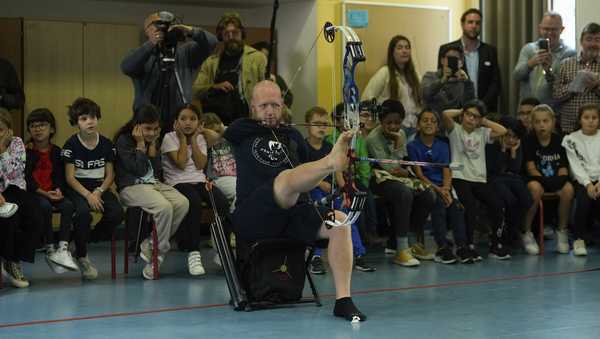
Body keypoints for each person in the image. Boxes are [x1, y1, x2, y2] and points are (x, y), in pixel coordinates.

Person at [223, 80, 366, 322]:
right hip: (254, 215)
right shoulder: (241, 129)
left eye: (276, 105)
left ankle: (344, 300)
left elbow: (307, 175)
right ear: (252, 108)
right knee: (284, 180)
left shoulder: (292, 136)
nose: (270, 111)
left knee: (340, 222)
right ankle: (330, 161)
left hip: (293, 213)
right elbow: (222, 133)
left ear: (283, 107)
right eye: (264, 106)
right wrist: (331, 162)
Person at [114, 104, 189, 279]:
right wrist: (141, 144)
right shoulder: (124, 141)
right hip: (131, 187)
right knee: (164, 207)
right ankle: (159, 253)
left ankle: (150, 244)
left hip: (153, 184)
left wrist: (153, 145)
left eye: (156, 129)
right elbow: (139, 170)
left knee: (182, 203)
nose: (152, 133)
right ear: (137, 125)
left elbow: (154, 172)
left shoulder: (154, 139)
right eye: (148, 129)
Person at [161, 104, 232, 275]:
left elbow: (200, 165)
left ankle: (221, 250)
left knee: (222, 203)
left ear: (199, 122)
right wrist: (184, 139)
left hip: (199, 181)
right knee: (193, 202)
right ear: (176, 122)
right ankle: (194, 253)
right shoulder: (169, 138)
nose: (188, 123)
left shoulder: (200, 138)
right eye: (183, 118)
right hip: (177, 183)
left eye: (192, 119)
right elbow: (181, 163)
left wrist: (194, 138)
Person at [304, 106, 375, 273]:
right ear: (307, 126)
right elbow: (303, 172)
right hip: (312, 190)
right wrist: (320, 184)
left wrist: (345, 191)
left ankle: (358, 255)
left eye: (325, 124)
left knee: (346, 214)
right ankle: (316, 257)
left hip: (331, 191)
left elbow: (337, 172)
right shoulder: (303, 146)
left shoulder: (330, 147)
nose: (322, 127)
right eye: (317, 124)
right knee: (322, 214)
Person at [366, 100, 436, 266]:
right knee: (403, 193)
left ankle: (410, 242)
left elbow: (403, 163)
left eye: (397, 122)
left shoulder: (402, 133)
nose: (394, 126)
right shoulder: (373, 139)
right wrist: (397, 144)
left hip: (399, 176)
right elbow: (389, 167)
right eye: (388, 123)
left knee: (428, 195)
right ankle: (401, 249)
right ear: (381, 122)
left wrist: (405, 170)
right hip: (378, 178)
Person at [121, 11, 217, 130]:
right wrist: (151, 44)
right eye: (158, 26)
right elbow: (127, 67)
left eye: (168, 27)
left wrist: (191, 31)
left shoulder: (186, 54)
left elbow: (212, 43)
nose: (165, 31)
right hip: (147, 123)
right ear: (147, 30)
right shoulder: (143, 55)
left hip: (177, 123)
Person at [62, 98, 124, 280]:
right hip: (78, 188)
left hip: (99, 187)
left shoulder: (106, 144)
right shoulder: (70, 145)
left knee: (117, 213)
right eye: (83, 118)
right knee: (82, 213)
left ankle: (86, 239)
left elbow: (110, 175)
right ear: (76, 122)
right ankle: (82, 256)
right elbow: (69, 178)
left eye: (93, 117)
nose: (90, 121)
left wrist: (98, 192)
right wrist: (88, 195)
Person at [442, 100, 509, 261]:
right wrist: (462, 111)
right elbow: (445, 114)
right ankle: (468, 244)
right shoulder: (455, 130)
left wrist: (483, 121)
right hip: (460, 177)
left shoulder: (482, 133)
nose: (471, 119)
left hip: (479, 179)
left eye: (475, 117)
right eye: (468, 115)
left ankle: (496, 245)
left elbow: (502, 130)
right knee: (470, 206)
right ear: (463, 115)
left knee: (498, 204)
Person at [408, 109, 472, 264]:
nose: (429, 123)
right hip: (426, 186)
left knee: (456, 207)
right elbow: (419, 174)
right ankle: (442, 247)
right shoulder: (413, 146)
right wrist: (440, 191)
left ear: (437, 127)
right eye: (425, 120)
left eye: (433, 120)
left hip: (443, 186)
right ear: (418, 125)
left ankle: (462, 246)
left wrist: (446, 189)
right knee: (438, 205)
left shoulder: (443, 145)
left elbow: (446, 170)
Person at [24, 108, 78, 273]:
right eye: (33, 126)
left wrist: (58, 190)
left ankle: (63, 247)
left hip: (52, 192)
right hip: (34, 194)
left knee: (68, 205)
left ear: (52, 129)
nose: (38, 129)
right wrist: (44, 193)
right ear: (29, 130)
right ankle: (49, 247)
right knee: (45, 207)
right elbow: (26, 179)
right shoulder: (25, 152)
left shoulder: (57, 151)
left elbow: (60, 176)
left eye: (42, 125)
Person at [193, 12, 266, 125]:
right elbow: (196, 90)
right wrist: (215, 86)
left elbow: (266, 90)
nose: (231, 37)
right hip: (218, 126)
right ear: (221, 36)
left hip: (248, 121)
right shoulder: (211, 62)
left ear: (242, 33)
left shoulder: (257, 58)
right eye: (226, 34)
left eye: (235, 33)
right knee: (221, 144)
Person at [0, 108, 44, 288]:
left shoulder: (17, 143)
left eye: (1, 130)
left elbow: (14, 173)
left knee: (35, 215)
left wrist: (2, 148)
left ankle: (14, 261)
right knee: (10, 218)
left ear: (8, 130)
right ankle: (8, 259)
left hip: (16, 188)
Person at [522, 104, 574, 254]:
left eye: (545, 121)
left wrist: (556, 182)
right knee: (536, 189)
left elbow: (564, 169)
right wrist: (547, 183)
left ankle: (562, 231)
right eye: (537, 122)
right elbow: (531, 168)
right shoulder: (528, 140)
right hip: (535, 179)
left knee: (568, 190)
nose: (542, 125)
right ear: (532, 124)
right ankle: (526, 232)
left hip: (556, 179)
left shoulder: (561, 141)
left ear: (553, 122)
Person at [485, 116, 534, 252]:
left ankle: (513, 230)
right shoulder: (491, 143)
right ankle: (505, 234)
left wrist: (513, 152)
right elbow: (494, 169)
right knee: (509, 200)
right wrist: (502, 149)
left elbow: (515, 169)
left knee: (527, 199)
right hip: (494, 178)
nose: (511, 140)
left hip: (512, 178)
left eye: (514, 137)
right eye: (508, 136)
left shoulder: (517, 145)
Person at [438, 8, 501, 112]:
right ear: (462, 24)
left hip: (485, 110)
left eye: (477, 23)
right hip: (456, 110)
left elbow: (495, 83)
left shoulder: (490, 51)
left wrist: (482, 105)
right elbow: (442, 80)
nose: (474, 26)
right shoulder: (447, 50)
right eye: (470, 22)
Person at [362, 35, 422, 138]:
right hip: (393, 128)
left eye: (407, 47)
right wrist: (378, 120)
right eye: (400, 48)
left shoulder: (415, 74)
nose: (404, 51)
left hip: (414, 128)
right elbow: (367, 100)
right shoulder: (385, 73)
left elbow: (420, 101)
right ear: (392, 52)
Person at [513, 12, 576, 107]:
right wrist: (530, 64)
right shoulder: (528, 49)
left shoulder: (569, 53)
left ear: (562, 30)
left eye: (554, 29)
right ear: (540, 28)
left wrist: (548, 71)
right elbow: (517, 76)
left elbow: (567, 88)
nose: (550, 33)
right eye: (546, 29)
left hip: (554, 111)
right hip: (528, 110)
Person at [561, 103, 600, 256]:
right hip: (582, 180)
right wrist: (588, 184)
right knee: (583, 202)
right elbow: (575, 165)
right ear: (580, 120)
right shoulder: (571, 139)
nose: (590, 121)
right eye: (586, 118)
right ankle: (578, 239)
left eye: (594, 118)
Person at [554, 22, 600, 134]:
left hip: (597, 129)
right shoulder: (566, 64)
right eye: (589, 39)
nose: (593, 44)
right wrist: (574, 86)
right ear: (581, 41)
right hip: (569, 127)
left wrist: (596, 87)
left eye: (597, 40)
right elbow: (556, 96)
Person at [422, 45, 475, 120]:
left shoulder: (464, 82)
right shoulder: (430, 76)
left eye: (456, 59)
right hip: (433, 123)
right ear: (442, 61)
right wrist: (442, 80)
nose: (452, 61)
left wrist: (467, 82)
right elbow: (426, 94)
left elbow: (470, 106)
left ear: (461, 63)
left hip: (455, 125)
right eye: (449, 58)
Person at [201, 113, 237, 212]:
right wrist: (205, 131)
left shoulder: (228, 138)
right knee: (242, 191)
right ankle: (233, 221)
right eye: (212, 132)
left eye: (218, 131)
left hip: (236, 177)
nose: (216, 135)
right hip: (218, 179)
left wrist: (222, 131)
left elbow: (234, 129)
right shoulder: (204, 142)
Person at [251, 41, 293, 108]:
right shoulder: (248, 79)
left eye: (267, 57)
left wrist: (276, 92)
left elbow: (289, 99)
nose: (265, 60)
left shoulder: (277, 79)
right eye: (261, 57)